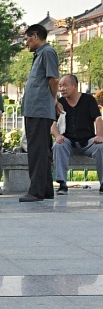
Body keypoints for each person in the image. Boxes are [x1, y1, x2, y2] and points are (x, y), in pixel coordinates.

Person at [19, 24, 61, 202]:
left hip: (39, 109)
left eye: (27, 38)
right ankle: (45, 189)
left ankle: (36, 191)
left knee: (37, 150)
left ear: (35, 36)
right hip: (35, 109)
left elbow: (54, 79)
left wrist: (53, 99)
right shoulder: (40, 54)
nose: (26, 42)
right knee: (41, 150)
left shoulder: (47, 52)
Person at [52, 74, 103, 194]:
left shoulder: (88, 100)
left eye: (65, 85)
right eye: (60, 86)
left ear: (75, 86)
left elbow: (98, 119)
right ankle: (62, 184)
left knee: (101, 147)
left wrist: (100, 135)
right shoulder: (59, 103)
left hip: (88, 141)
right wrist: (57, 136)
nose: (61, 89)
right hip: (68, 142)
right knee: (58, 146)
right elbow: (52, 124)